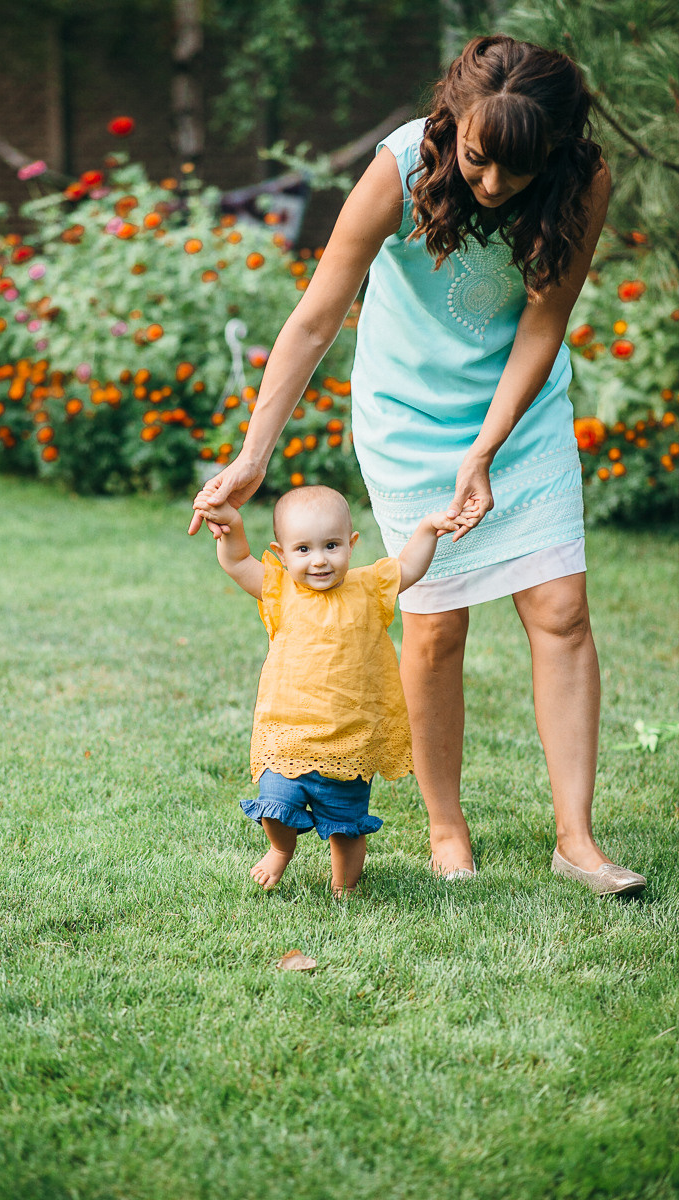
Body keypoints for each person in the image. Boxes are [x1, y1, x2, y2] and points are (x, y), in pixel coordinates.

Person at [189, 35, 646, 896]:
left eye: (516, 168)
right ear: (452, 124)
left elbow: (543, 323)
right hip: (406, 419)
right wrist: (253, 453)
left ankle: (576, 840)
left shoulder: (582, 179)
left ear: (553, 148)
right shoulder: (399, 169)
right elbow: (316, 317)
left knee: (561, 610)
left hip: (517, 411)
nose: (492, 185)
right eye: (476, 160)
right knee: (434, 626)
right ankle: (445, 827)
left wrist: (486, 448)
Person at [192, 483, 468, 895]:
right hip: (288, 736)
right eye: (303, 549)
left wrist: (428, 528)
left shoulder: (369, 587)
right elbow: (236, 562)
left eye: (332, 546)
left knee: (346, 827)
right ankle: (280, 849)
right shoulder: (280, 589)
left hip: (350, 739)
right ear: (282, 554)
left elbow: (409, 567)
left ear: (351, 545)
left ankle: (345, 887)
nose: (319, 560)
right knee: (276, 807)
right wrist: (232, 524)